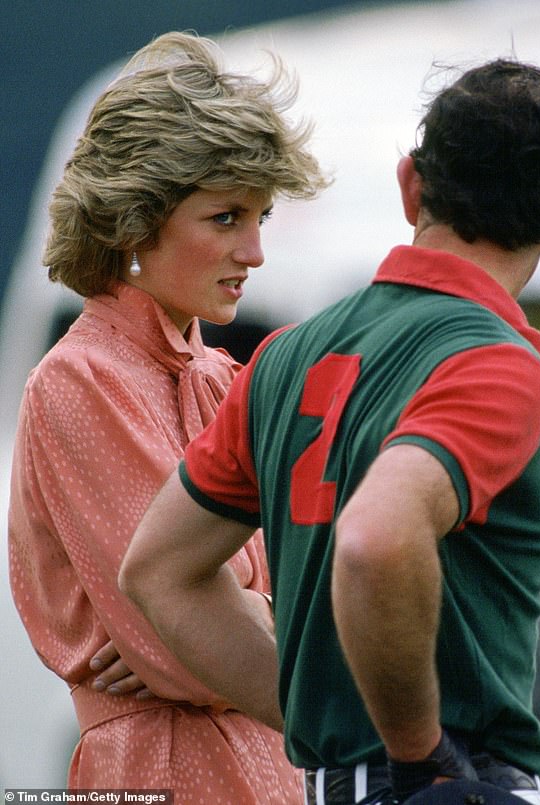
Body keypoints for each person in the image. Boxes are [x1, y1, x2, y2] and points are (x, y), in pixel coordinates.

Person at [119, 58, 540, 805]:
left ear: (411, 186)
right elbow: (377, 539)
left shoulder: (284, 356)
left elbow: (156, 571)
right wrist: (418, 753)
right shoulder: (498, 359)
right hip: (450, 783)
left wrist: (320, 712)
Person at [8, 31, 327, 803]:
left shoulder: (227, 378)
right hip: (165, 771)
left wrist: (233, 608)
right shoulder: (77, 380)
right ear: (133, 220)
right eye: (225, 218)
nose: (254, 249)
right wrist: (222, 612)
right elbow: (180, 640)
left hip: (269, 767)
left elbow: (314, 592)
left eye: (260, 216)